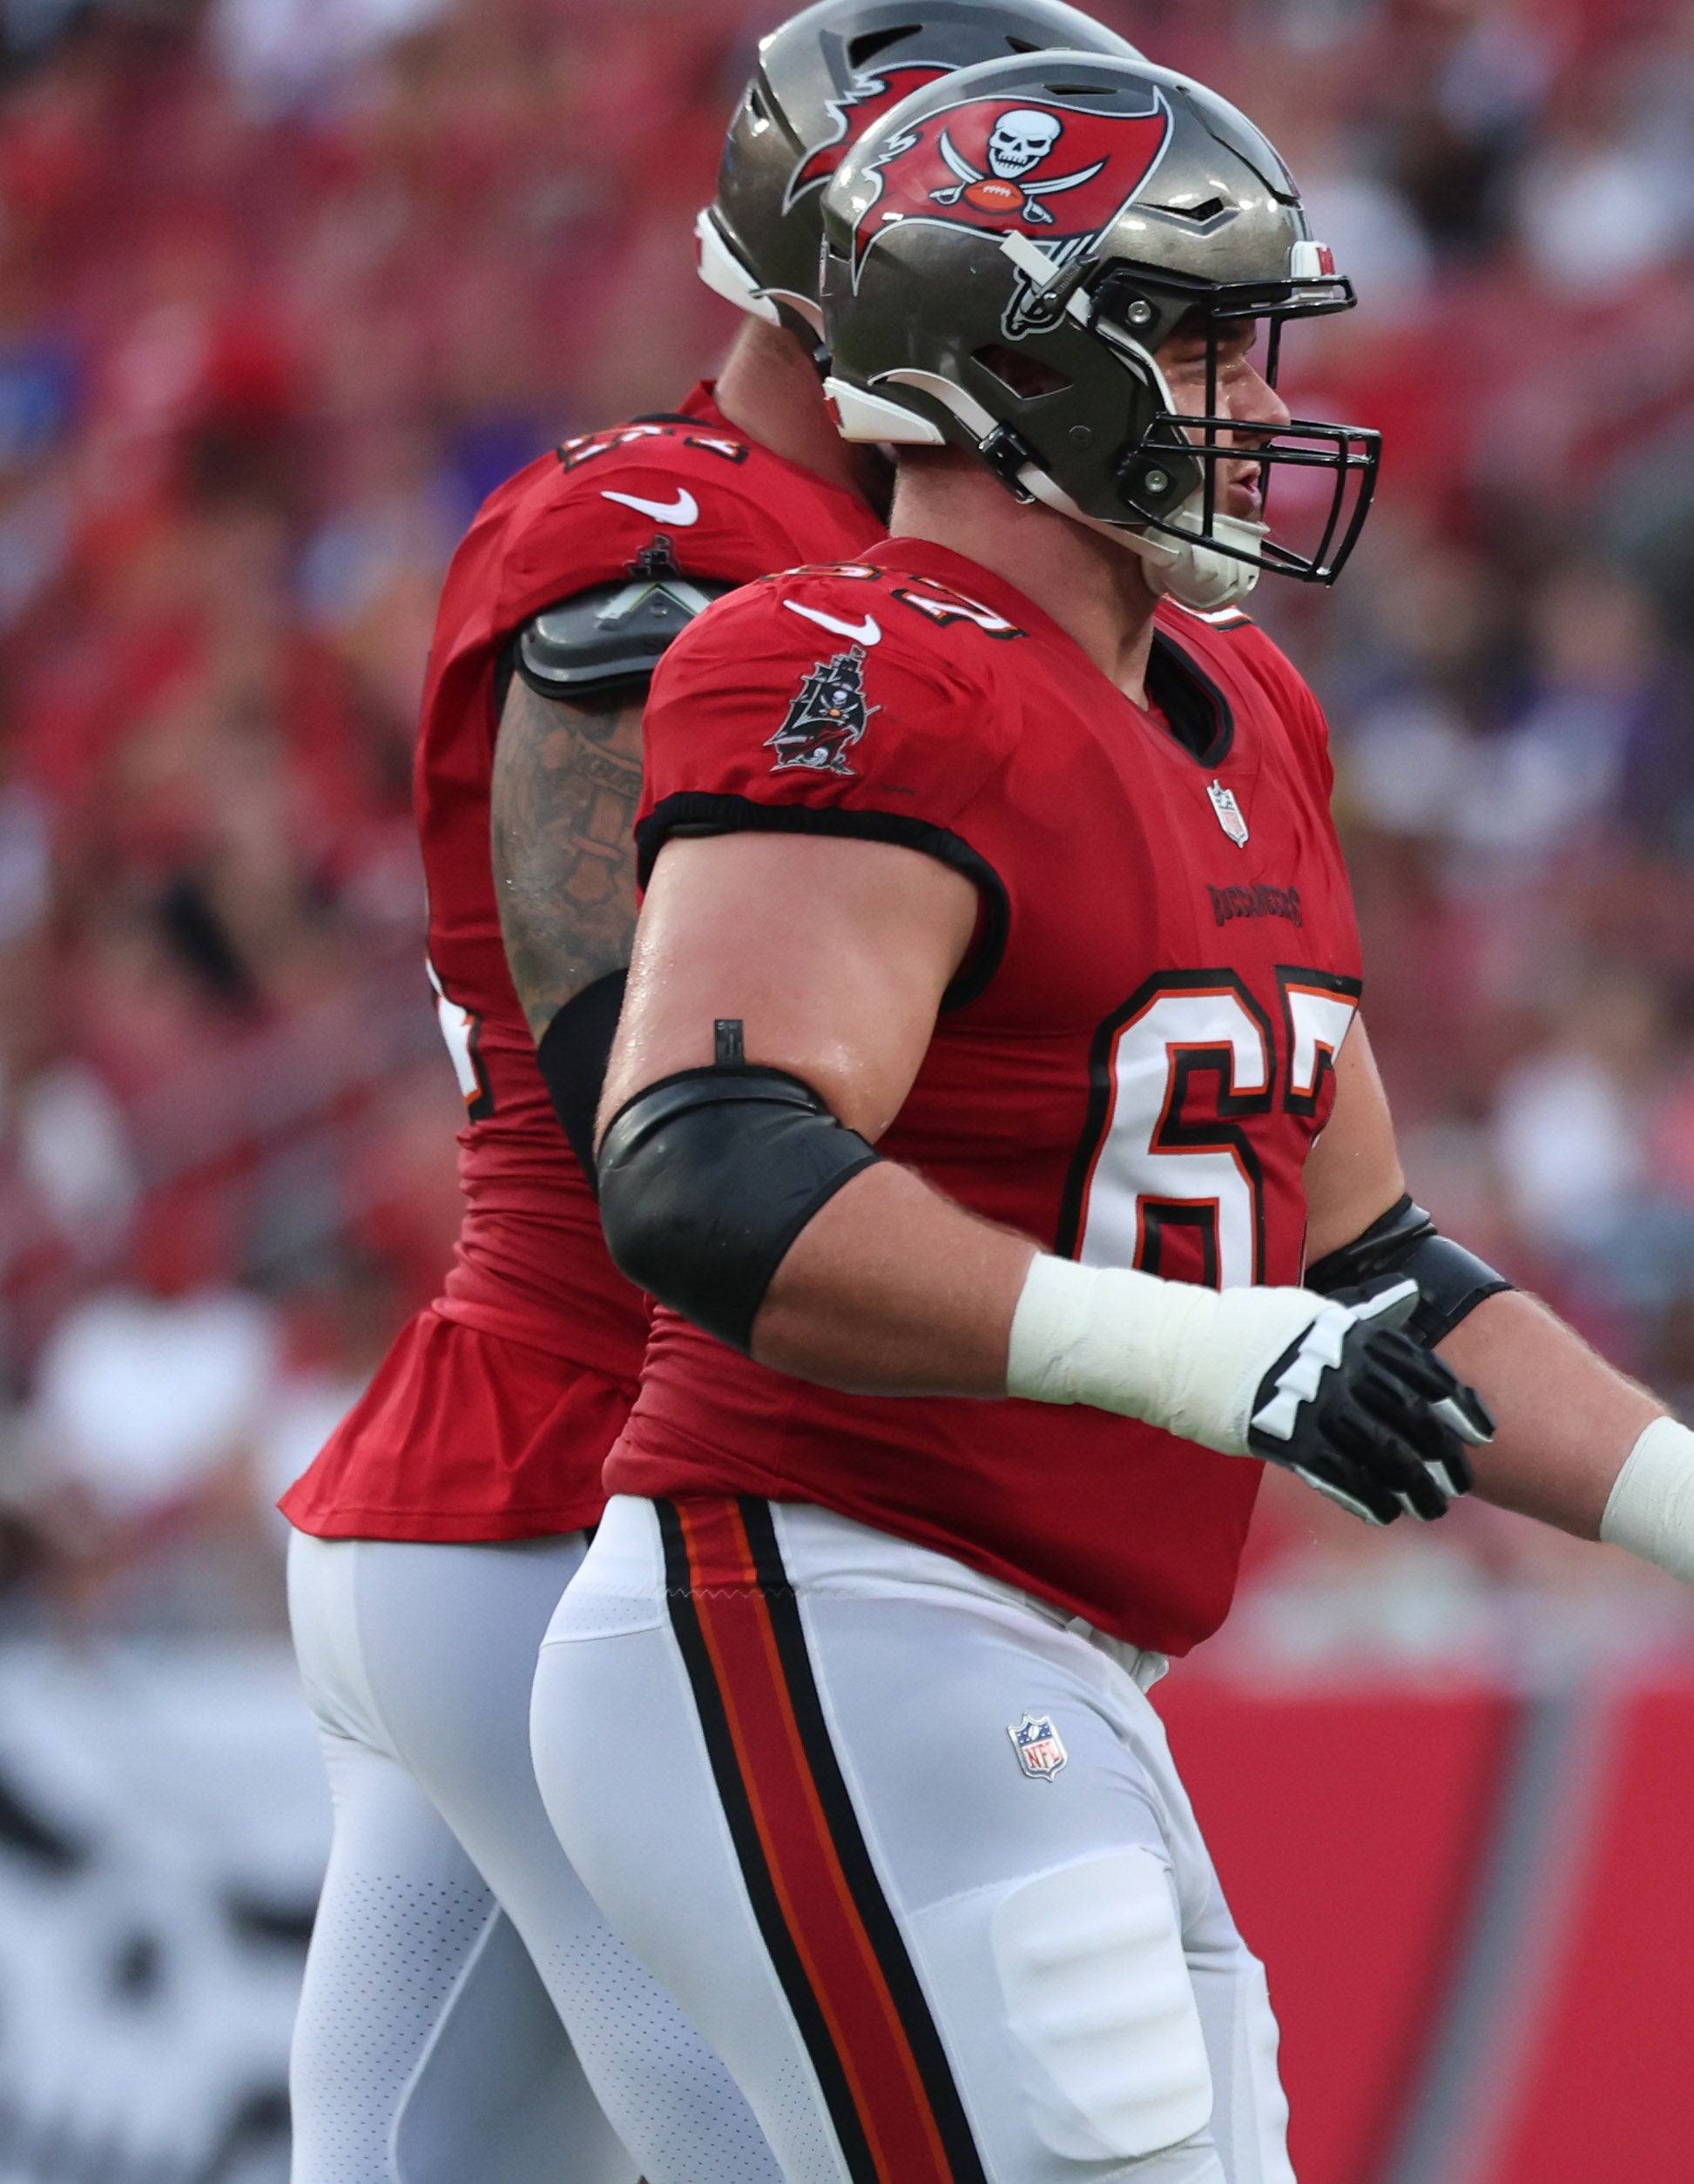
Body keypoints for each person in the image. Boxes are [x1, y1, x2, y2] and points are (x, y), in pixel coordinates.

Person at [522, 49, 1694, 2184]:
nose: (1253, 402)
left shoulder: (1240, 702)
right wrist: (1211, 1353)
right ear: (1011, 366)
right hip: (825, 1597)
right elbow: (707, 1174)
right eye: (1192, 340)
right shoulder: (870, 663)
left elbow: (1369, 1272)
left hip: (1049, 1652)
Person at [273, 8, 1143, 2178]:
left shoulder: (928, 584)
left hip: (537, 1505)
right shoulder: (670, 542)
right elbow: (660, 1118)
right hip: (599, 1482)